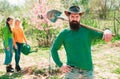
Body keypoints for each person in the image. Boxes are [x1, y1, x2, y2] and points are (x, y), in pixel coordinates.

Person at [51, 6, 112, 79]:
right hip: (71, 71)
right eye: (72, 16)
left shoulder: (87, 31)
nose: (75, 19)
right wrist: (60, 64)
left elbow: (105, 36)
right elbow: (54, 49)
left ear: (80, 17)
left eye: (77, 16)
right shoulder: (64, 33)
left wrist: (108, 30)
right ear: (68, 17)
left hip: (88, 70)